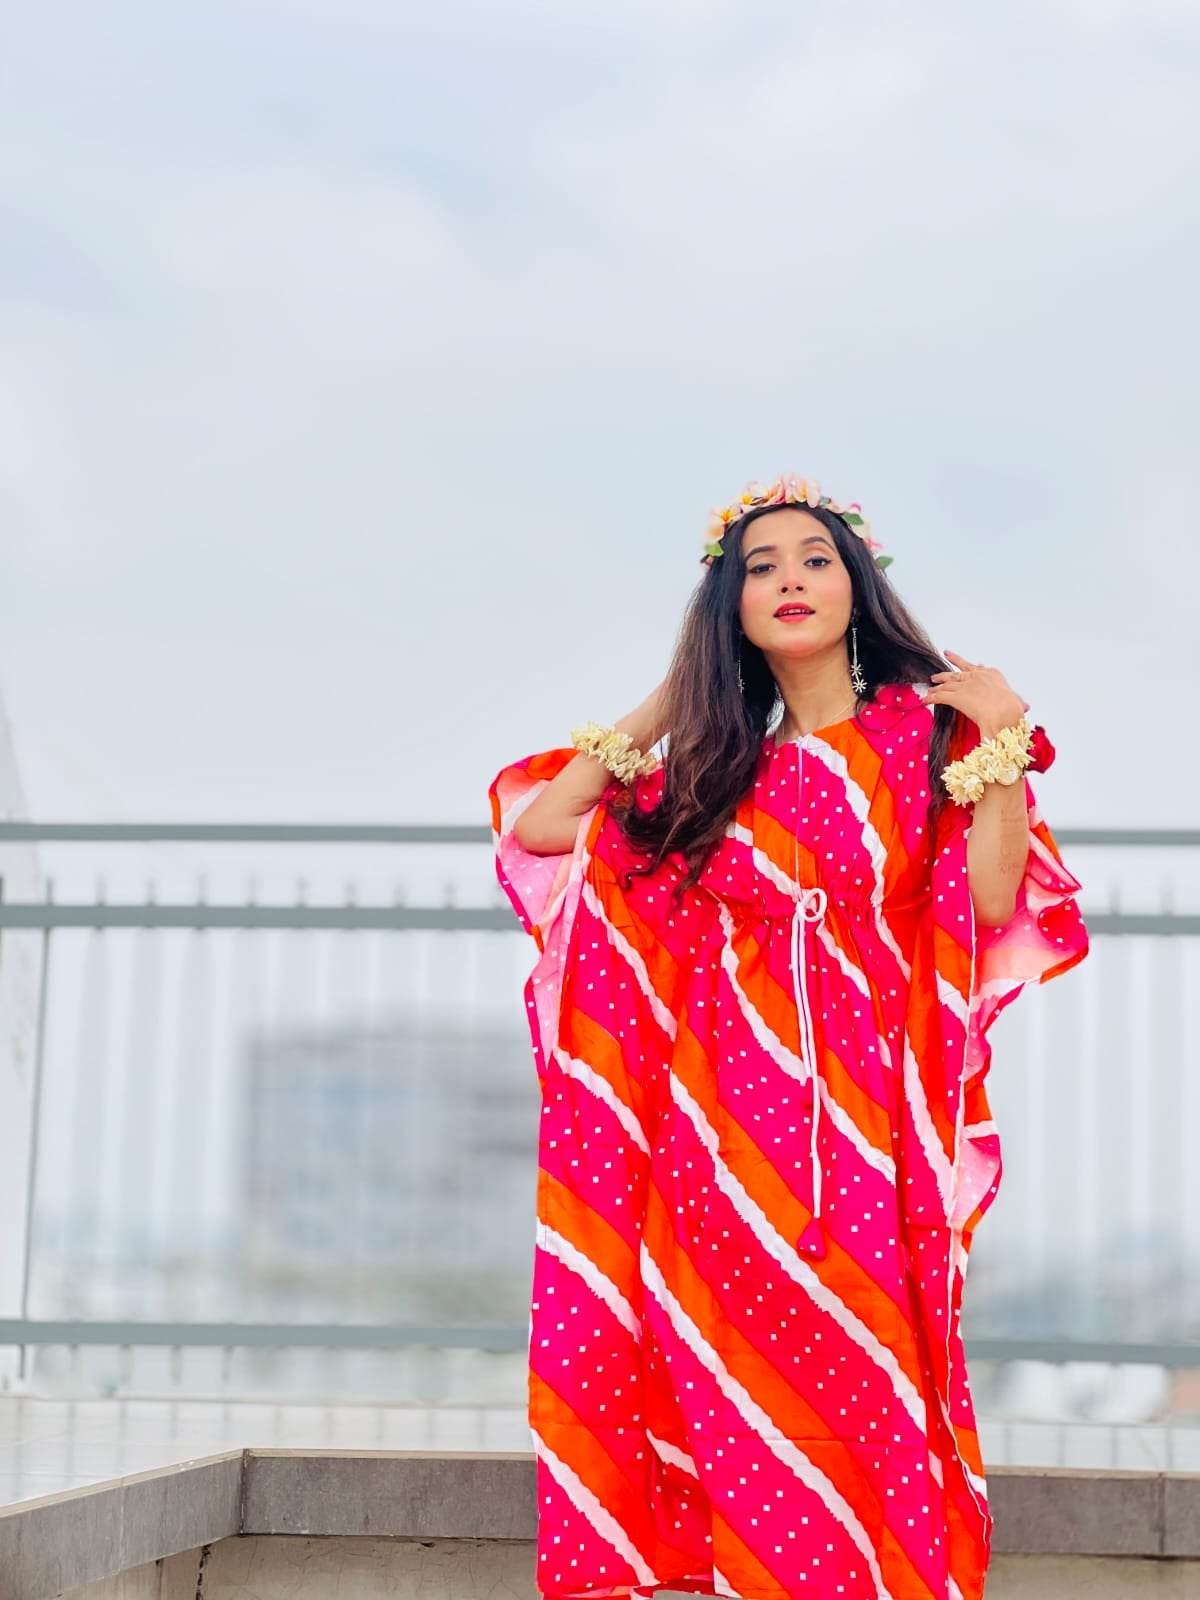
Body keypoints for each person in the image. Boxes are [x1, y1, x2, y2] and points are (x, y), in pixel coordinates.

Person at [487, 473, 1089, 1600]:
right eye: (759, 569)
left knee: (867, 1360)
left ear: (856, 586)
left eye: (815, 558)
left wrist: (1004, 736)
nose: (790, 581)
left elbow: (987, 897)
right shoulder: (712, 772)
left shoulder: (921, 736)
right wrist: (671, 699)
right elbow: (548, 824)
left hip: (865, 1118)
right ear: (733, 608)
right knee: (732, 1376)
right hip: (718, 1128)